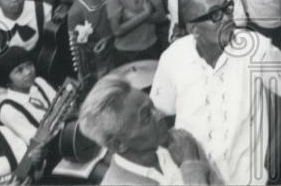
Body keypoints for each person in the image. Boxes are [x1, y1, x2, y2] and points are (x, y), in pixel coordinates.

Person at [149, 0, 281, 186]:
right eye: (215, 14)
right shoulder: (172, 58)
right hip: (195, 179)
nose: (227, 18)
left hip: (248, 177)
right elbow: (159, 113)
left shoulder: (258, 49)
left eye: (227, 8)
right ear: (193, 29)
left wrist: (274, 156)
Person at [78, 75, 221, 186]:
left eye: (153, 106)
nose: (159, 115)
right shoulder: (186, 155)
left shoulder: (177, 145)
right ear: (119, 144)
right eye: (146, 116)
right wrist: (190, 166)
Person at [0, 46, 59, 146]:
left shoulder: (39, 82)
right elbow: (36, 141)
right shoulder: (8, 110)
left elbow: (62, 105)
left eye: (29, 65)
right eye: (19, 71)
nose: (28, 72)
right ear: (7, 81)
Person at [66, 0, 115, 78]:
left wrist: (110, 38)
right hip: (99, 64)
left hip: (120, 48)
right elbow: (78, 50)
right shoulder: (76, 12)